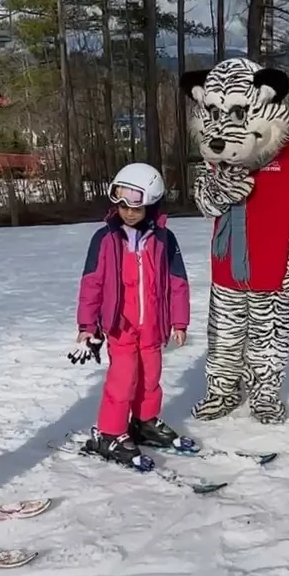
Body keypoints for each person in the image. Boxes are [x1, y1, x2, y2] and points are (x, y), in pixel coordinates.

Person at [76, 163, 191, 467]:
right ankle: (110, 432)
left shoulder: (165, 239)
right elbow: (92, 283)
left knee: (150, 379)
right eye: (122, 204)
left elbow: (178, 282)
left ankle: (145, 421)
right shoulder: (105, 239)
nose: (128, 213)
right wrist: (87, 325)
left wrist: (180, 321)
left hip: (153, 326)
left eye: (136, 207)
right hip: (120, 327)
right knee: (122, 380)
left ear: (152, 206)